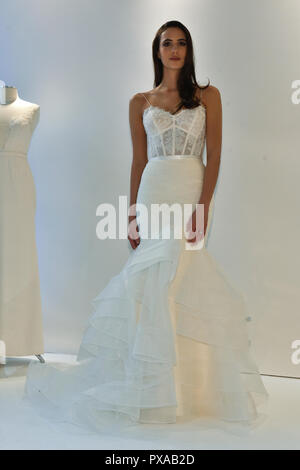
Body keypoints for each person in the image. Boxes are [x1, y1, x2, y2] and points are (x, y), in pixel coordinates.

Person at [23, 20, 269, 437]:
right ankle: (151, 388)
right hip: (154, 193)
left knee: (184, 277)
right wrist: (132, 213)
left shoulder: (209, 96)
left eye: (181, 43)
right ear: (157, 51)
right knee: (151, 283)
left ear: (189, 51)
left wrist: (203, 207)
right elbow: (139, 161)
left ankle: (189, 389)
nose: (174, 50)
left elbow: (215, 155)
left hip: (190, 189)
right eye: (166, 43)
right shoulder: (140, 101)